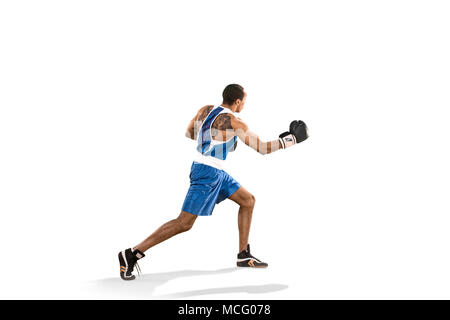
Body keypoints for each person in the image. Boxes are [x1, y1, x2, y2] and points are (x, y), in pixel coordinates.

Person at [118, 84, 309, 280]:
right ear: (237, 101)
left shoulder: (206, 109)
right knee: (184, 223)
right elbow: (263, 149)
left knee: (248, 200)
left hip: (209, 169)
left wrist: (218, 141)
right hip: (207, 174)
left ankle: (243, 254)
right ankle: (132, 253)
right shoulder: (236, 122)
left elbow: (190, 133)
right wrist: (291, 140)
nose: (244, 105)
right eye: (243, 101)